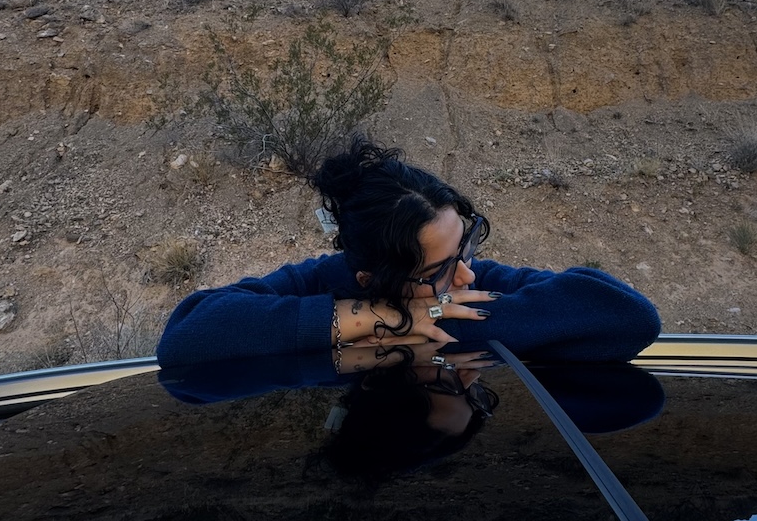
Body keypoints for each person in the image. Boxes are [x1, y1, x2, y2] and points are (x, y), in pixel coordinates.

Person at [157, 137, 661, 369]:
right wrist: (386, 320)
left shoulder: (463, 280)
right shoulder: (320, 280)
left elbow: (626, 315)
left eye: (467, 242)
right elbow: (186, 336)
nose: (466, 272)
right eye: (440, 268)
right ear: (369, 279)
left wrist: (442, 315)